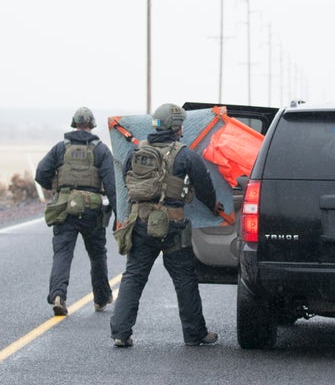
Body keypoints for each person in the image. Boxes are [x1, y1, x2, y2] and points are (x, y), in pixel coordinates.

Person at [110, 103, 220, 348]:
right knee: (184, 278)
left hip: (141, 223)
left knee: (134, 276)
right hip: (173, 226)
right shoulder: (185, 155)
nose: (182, 128)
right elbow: (204, 185)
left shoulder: (135, 152)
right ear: (175, 127)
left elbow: (125, 183)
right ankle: (194, 335)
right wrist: (215, 208)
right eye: (180, 124)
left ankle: (120, 332)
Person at [35, 107, 116, 316]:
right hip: (92, 211)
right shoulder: (101, 150)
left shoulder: (60, 148)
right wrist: (119, 214)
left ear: (74, 124)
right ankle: (100, 298)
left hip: (64, 209)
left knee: (62, 253)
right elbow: (112, 185)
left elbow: (41, 173)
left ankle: (58, 296)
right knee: (98, 254)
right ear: (92, 125)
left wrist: (57, 188)